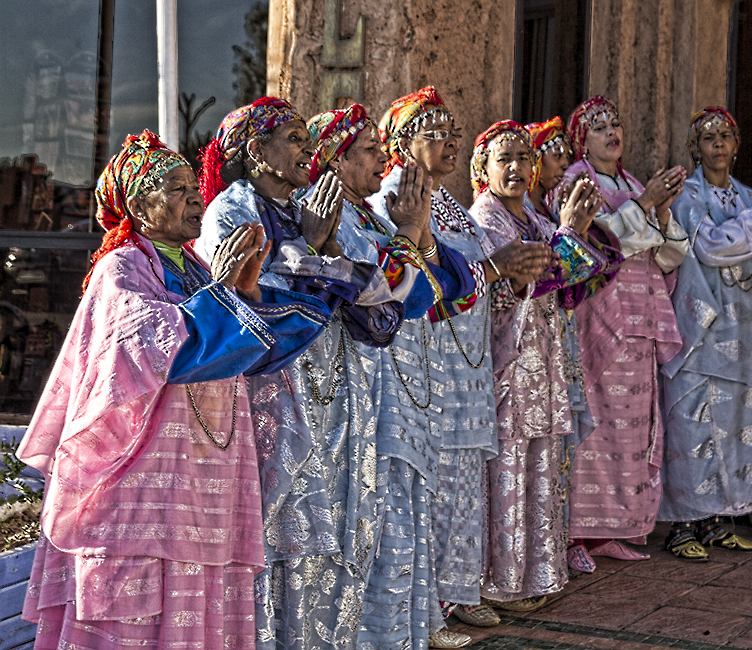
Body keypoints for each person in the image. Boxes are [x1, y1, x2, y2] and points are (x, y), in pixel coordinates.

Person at [18, 131, 332, 649]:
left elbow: (244, 345)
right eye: (177, 188)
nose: (195, 197)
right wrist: (223, 293)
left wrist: (245, 291)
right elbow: (159, 349)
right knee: (135, 608)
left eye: (194, 186)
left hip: (200, 473)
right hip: (144, 477)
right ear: (140, 205)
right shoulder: (121, 268)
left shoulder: (194, 265)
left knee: (199, 597)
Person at [194, 97, 408, 650]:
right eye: (292, 137)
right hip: (273, 402)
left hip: (338, 398)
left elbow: (382, 313)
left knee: (336, 530)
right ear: (255, 151)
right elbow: (244, 306)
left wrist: (331, 245)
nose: (306, 148)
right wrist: (313, 248)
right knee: (278, 535)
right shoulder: (230, 212)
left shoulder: (313, 209)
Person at [371, 87, 557, 641]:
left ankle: (457, 592)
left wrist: (505, 271)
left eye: (455, 133)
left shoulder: (447, 201)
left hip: (467, 360)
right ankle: (426, 609)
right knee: (432, 486)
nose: (451, 142)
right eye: (437, 133)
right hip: (429, 360)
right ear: (403, 143)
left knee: (462, 480)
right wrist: (494, 271)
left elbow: (466, 270)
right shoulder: (394, 203)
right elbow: (423, 283)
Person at [306, 103, 485, 650]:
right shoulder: (337, 213)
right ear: (333, 161)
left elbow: (447, 286)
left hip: (400, 383)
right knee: (374, 513)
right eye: (366, 150)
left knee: (403, 508)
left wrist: (414, 237)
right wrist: (412, 234)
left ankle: (405, 632)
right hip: (365, 387)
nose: (379, 158)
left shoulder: (374, 216)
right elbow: (384, 291)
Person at [470, 120, 621, 605]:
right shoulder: (485, 220)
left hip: (545, 363)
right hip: (509, 367)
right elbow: (524, 279)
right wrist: (569, 234)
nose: (516, 167)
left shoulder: (534, 220)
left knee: (542, 472)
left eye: (524, 158)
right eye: (504, 159)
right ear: (483, 168)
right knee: (509, 472)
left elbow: (572, 281)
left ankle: (537, 576)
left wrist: (578, 237)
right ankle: (501, 583)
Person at [659, 108, 752, 559]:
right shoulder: (687, 196)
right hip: (704, 329)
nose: (718, 144)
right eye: (708, 138)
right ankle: (683, 525)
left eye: (725, 136)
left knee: (739, 422)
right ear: (694, 150)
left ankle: (720, 521)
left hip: (745, 327)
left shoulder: (749, 196)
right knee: (694, 422)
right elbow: (711, 247)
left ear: (737, 146)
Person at [563, 96, 687, 567]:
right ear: (582, 139)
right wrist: (646, 206)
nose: (611, 132)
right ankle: (576, 533)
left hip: (641, 318)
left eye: (616, 123)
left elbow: (667, 254)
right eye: (599, 127)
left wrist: (662, 214)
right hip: (602, 316)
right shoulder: (576, 180)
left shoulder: (633, 182)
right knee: (596, 427)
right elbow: (595, 240)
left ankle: (614, 528)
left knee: (634, 429)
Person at [525, 116, 624, 573]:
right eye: (552, 154)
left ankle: (558, 543)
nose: (562, 163)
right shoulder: (516, 216)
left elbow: (586, 273)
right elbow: (540, 280)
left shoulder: (543, 215)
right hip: (525, 352)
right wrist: (570, 232)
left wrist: (578, 232)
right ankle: (550, 547)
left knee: (560, 449)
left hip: (557, 341)